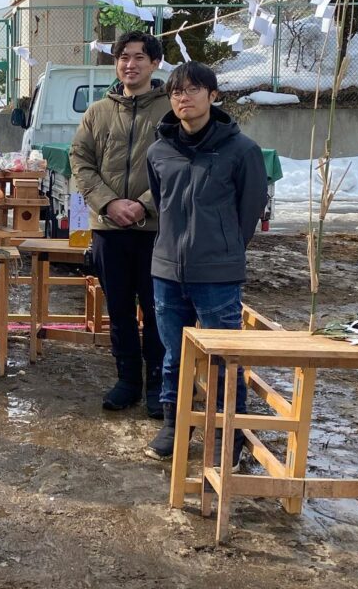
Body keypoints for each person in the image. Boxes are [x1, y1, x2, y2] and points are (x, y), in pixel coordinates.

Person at [144, 61, 268, 463]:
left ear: (213, 96)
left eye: (194, 90)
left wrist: (224, 249)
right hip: (167, 270)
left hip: (217, 274)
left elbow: (249, 210)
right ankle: (175, 424)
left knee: (224, 357)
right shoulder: (159, 151)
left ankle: (228, 433)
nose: (184, 98)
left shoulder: (242, 150)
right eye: (177, 91)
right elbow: (162, 203)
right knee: (173, 354)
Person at [70, 31, 168, 419]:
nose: (130, 64)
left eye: (139, 57)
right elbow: (81, 161)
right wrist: (109, 203)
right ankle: (127, 379)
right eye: (123, 57)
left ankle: (159, 383)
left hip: (155, 230)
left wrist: (144, 206)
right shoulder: (97, 112)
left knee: (158, 309)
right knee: (120, 308)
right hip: (109, 228)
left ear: (155, 63)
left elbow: (178, 167)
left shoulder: (171, 110)